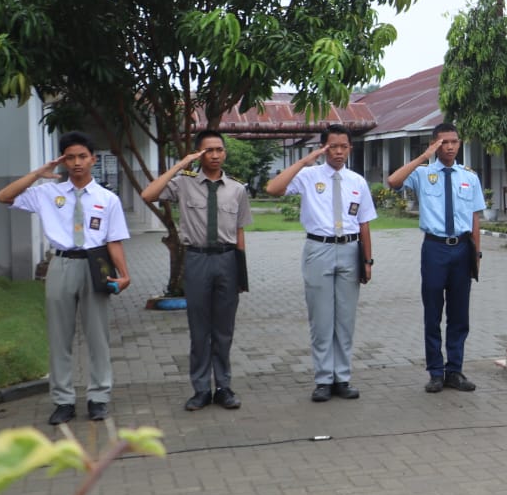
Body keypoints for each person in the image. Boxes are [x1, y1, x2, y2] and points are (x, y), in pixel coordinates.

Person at [0, 131, 132, 425]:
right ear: (63, 161)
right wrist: (38, 173)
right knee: (59, 337)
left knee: (98, 336)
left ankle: (98, 397)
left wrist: (124, 275)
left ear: (93, 159)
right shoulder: (47, 193)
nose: (77, 162)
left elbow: (114, 240)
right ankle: (63, 401)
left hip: (96, 265)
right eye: (70, 157)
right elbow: (3, 197)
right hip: (61, 264)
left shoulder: (107, 199)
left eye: (82, 156)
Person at [141, 129, 252, 410]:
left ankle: (223, 387)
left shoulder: (237, 189)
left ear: (225, 152)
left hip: (227, 260)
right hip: (197, 260)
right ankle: (201, 389)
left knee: (224, 329)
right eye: (208, 150)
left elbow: (240, 233)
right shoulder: (184, 183)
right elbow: (148, 194)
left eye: (219, 149)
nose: (214, 155)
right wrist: (180, 165)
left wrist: (241, 272)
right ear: (199, 154)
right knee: (199, 329)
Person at [265, 124, 376, 402]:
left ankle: (342, 378)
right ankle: (324, 379)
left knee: (345, 319)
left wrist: (367, 260)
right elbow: (273, 189)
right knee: (322, 319)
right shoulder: (308, 175)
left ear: (350, 148)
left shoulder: (357, 181)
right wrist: (305, 161)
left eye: (343, 146)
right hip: (319, 249)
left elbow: (364, 223)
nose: (338, 152)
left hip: (350, 249)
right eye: (332, 146)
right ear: (324, 148)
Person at [388, 122, 485, 393]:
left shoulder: (469, 177)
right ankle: (435, 372)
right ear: (434, 144)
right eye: (444, 142)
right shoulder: (423, 173)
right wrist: (423, 156)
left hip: (462, 248)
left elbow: (474, 218)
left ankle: (454, 370)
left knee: (459, 314)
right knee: (433, 312)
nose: (450, 147)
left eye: (454, 141)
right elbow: (393, 182)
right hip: (434, 249)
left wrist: (476, 253)